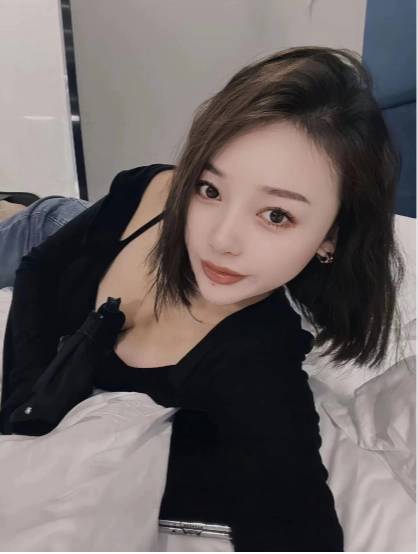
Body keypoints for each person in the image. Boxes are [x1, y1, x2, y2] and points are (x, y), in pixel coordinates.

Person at [0, 45, 406, 551]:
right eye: (210, 189)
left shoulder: (256, 358)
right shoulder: (154, 188)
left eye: (276, 214)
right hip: (44, 224)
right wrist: (22, 409)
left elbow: (294, 523)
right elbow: (38, 272)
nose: (221, 239)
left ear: (332, 237)